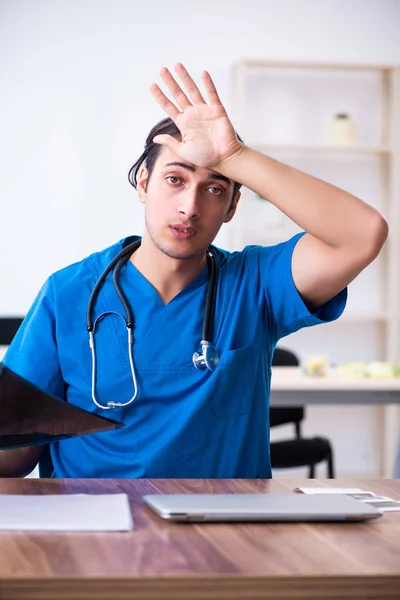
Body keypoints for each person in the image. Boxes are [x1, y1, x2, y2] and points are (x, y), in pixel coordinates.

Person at [0, 63, 388, 478]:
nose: (190, 206)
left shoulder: (255, 285)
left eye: (215, 188)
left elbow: (363, 233)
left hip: (224, 531)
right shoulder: (68, 293)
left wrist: (235, 157)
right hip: (97, 525)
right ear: (143, 184)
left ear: (232, 207)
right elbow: (14, 455)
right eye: (174, 180)